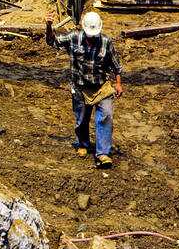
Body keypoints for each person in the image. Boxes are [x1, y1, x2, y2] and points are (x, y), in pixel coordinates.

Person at [46, 10, 122, 169]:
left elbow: (116, 65)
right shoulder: (74, 38)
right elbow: (52, 41)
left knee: (106, 116)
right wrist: (49, 26)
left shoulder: (106, 41)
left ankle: (103, 153)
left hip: (102, 87)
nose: (92, 37)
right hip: (81, 87)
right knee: (82, 119)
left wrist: (118, 83)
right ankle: (83, 144)